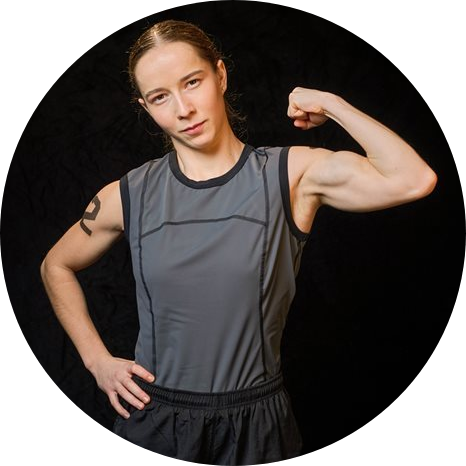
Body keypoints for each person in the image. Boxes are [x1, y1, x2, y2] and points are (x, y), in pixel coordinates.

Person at [40, 19, 437, 465]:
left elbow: (414, 179)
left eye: (192, 82)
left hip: (257, 425)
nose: (184, 109)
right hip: (158, 421)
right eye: (160, 97)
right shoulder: (127, 194)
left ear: (221, 75)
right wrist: (96, 361)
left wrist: (332, 103)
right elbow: (56, 266)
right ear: (145, 107)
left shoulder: (291, 175)